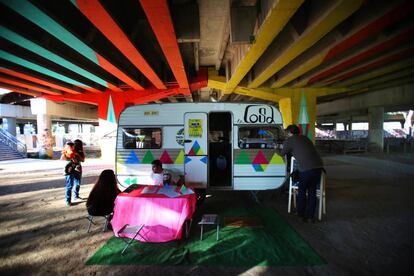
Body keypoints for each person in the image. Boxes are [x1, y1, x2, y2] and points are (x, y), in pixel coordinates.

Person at [275, 124, 324, 223]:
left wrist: (276, 148)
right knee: (312, 192)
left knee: (302, 192)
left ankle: (300, 215)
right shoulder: (305, 138)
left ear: (290, 132)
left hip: (306, 169)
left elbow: (281, 154)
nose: (286, 134)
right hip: (318, 168)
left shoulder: (290, 140)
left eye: (287, 132)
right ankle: (310, 217)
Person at [61, 139, 85, 206]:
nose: (75, 146)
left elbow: (83, 160)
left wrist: (77, 154)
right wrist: (66, 152)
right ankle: (68, 200)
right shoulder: (67, 151)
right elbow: (62, 158)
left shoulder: (80, 151)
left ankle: (76, 196)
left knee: (77, 184)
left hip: (78, 169)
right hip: (69, 170)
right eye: (74, 144)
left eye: (78, 144)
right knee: (70, 185)